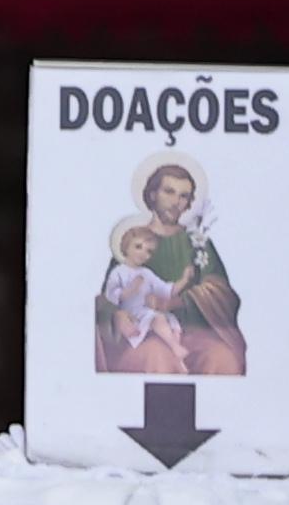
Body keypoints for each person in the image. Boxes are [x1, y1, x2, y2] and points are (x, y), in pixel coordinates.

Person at [97, 155, 247, 377]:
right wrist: (117, 315)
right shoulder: (131, 241)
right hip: (144, 334)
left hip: (194, 334)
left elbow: (223, 294)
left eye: (184, 196)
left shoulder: (198, 243)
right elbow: (106, 298)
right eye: (169, 192)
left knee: (223, 358)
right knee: (157, 357)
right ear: (152, 195)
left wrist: (175, 302)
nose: (176, 201)